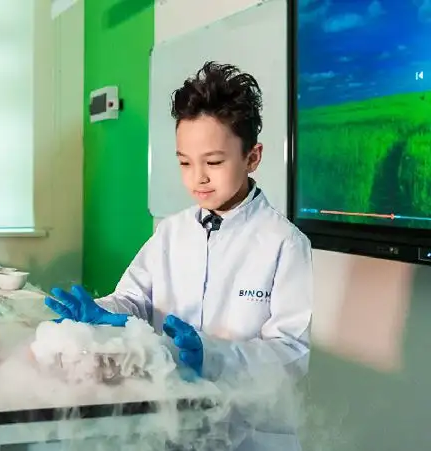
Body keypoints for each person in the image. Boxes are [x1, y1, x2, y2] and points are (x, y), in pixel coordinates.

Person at [45, 62, 313, 450]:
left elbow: (290, 355)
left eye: (214, 162)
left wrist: (212, 356)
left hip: (247, 435)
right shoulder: (172, 231)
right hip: (172, 427)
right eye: (185, 162)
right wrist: (101, 311)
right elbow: (135, 299)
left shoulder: (284, 243)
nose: (197, 177)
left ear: (252, 157)